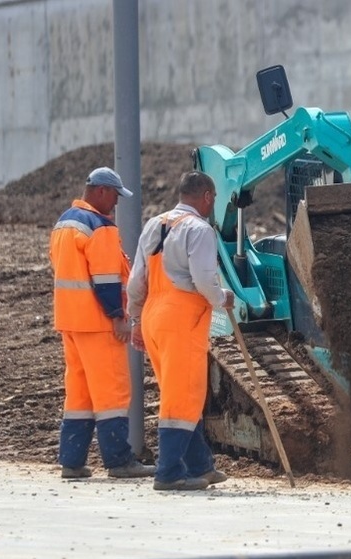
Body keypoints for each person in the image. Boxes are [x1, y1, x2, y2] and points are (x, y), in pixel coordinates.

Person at [127, 171, 235, 491]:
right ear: (206, 197)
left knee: (178, 391)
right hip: (181, 318)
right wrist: (221, 298)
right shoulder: (199, 229)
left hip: (154, 317)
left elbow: (136, 280)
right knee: (184, 396)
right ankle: (169, 472)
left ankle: (201, 465)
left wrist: (136, 320)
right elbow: (203, 278)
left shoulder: (154, 224)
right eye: (213, 199)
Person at [49, 166, 155, 479]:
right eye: (115, 196)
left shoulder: (63, 224)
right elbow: (107, 281)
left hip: (70, 321)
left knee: (79, 394)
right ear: (101, 192)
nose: (117, 204)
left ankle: (72, 462)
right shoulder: (100, 227)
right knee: (113, 392)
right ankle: (120, 461)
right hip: (98, 324)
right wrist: (119, 318)